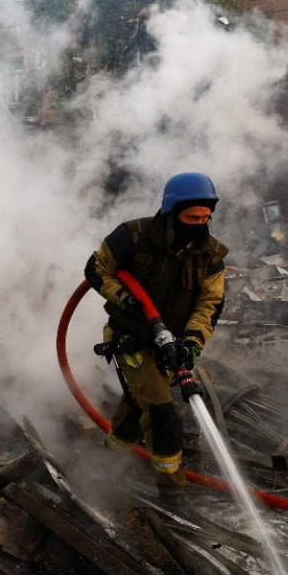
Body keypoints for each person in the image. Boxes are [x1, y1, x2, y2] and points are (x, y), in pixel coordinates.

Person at [84, 172, 228, 498]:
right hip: (130, 338)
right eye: (192, 218)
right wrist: (126, 299)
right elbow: (95, 269)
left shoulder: (211, 256)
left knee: (138, 407)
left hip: (170, 343)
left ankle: (106, 461)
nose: (200, 224)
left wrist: (190, 344)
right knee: (162, 413)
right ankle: (172, 493)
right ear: (172, 212)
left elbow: (209, 305)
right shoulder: (132, 237)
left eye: (206, 218)